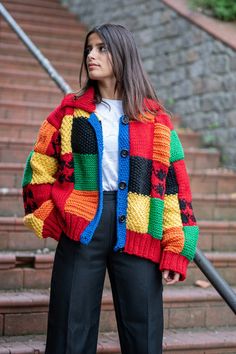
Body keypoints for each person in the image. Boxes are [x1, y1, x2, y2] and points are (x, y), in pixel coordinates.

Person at [22, 23, 199, 354]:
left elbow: (173, 189)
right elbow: (38, 168)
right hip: (81, 226)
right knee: (68, 331)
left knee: (143, 332)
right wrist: (52, 218)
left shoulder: (155, 119)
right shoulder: (70, 112)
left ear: (123, 54)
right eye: (89, 48)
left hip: (140, 228)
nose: (92, 55)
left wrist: (177, 248)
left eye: (102, 48)